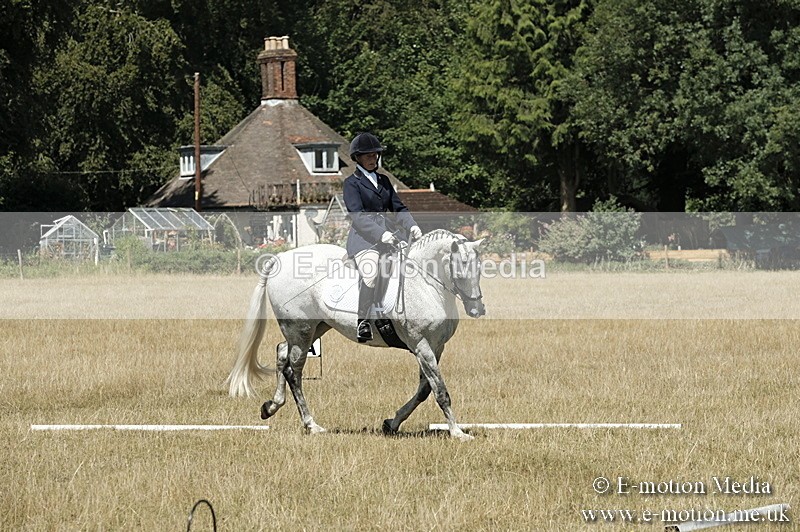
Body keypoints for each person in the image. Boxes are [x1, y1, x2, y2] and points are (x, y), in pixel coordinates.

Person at [343, 132, 422, 342]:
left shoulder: (384, 181)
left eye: (375, 155)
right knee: (371, 272)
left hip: (390, 236)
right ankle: (363, 322)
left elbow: (398, 207)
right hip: (363, 239)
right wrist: (381, 233)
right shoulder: (351, 183)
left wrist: (412, 225)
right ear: (357, 158)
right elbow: (357, 216)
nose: (372, 158)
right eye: (367, 155)